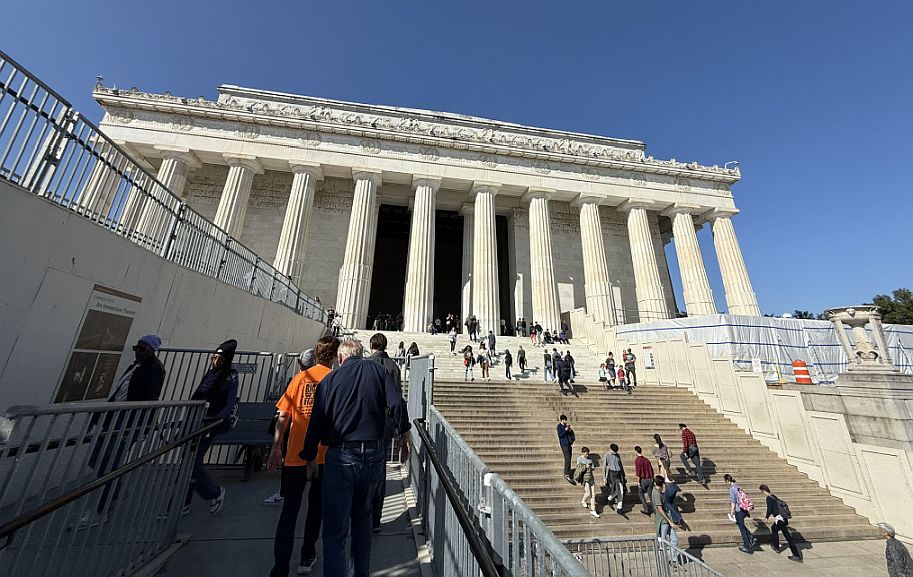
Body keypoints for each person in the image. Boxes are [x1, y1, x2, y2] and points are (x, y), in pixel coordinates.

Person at [300, 339, 411, 577]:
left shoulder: (330, 379)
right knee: (363, 523)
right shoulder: (379, 371)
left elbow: (316, 423)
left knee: (335, 529)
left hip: (341, 456)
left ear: (340, 358)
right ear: (361, 354)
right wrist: (404, 432)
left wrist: (309, 457)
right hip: (373, 454)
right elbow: (396, 403)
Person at [267, 337, 340, 576]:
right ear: (335, 356)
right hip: (324, 455)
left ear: (317, 354)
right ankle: (307, 555)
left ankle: (280, 568)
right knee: (316, 508)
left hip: (295, 454)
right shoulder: (335, 379)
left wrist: (276, 447)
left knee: (289, 511)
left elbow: (283, 416)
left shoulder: (299, 379)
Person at [77, 335, 166, 529]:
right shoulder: (135, 367)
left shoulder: (155, 370)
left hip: (128, 421)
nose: (138, 352)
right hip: (114, 417)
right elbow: (117, 393)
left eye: (142, 349)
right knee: (97, 459)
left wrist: (141, 427)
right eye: (136, 348)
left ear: (152, 351)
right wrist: (97, 419)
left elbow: (151, 399)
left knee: (109, 462)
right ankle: (115, 490)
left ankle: (102, 510)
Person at [185, 339, 239, 516]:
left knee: (192, 461)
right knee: (188, 461)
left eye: (220, 359)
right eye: (213, 358)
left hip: (209, 423)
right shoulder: (211, 374)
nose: (215, 362)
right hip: (196, 420)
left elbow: (230, 402)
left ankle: (213, 492)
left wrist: (216, 420)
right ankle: (183, 501)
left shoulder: (230, 376)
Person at [367, 333, 405, 533]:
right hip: (386, 425)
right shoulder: (393, 367)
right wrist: (402, 428)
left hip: (365, 425)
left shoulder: (364, 365)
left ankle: (360, 513)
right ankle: (375, 518)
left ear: (371, 345)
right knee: (379, 473)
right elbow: (396, 399)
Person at [760, 484, 802, 563]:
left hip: (780, 519)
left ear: (763, 491)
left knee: (788, 537)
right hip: (783, 518)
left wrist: (767, 516)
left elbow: (769, 509)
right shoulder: (773, 496)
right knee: (774, 529)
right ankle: (776, 546)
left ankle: (796, 555)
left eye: (762, 492)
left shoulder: (769, 498)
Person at [653, 475, 683, 567]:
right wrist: (670, 521)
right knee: (663, 542)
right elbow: (660, 509)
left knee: (674, 539)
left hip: (667, 519)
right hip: (663, 521)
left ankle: (673, 560)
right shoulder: (656, 494)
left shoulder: (659, 492)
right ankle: (663, 561)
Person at [724, 474, 757, 554]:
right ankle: (751, 538)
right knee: (741, 525)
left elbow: (733, 502)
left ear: (727, 481)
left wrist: (732, 512)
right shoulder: (737, 486)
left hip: (739, 510)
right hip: (744, 509)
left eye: (726, 482)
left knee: (741, 528)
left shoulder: (732, 489)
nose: (726, 483)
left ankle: (747, 546)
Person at [574, 447, 599, 518]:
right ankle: (583, 500)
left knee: (593, 495)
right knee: (588, 492)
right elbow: (578, 469)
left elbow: (593, 468)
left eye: (588, 454)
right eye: (586, 454)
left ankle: (593, 510)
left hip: (591, 477)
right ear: (583, 452)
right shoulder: (579, 459)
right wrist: (585, 466)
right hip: (585, 478)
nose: (587, 455)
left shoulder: (590, 459)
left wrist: (591, 467)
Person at [602, 443, 625, 511]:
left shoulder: (617, 455)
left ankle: (619, 507)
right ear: (610, 449)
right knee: (616, 490)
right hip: (611, 473)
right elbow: (604, 467)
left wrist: (623, 475)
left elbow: (620, 465)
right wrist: (604, 478)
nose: (615, 452)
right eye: (614, 451)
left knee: (621, 490)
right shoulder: (607, 455)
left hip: (619, 473)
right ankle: (610, 498)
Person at [634, 446, 655, 515]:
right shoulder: (647, 460)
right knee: (650, 495)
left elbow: (638, 473)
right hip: (650, 479)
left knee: (640, 493)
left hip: (643, 480)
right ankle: (655, 509)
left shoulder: (637, 460)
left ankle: (646, 509)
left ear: (636, 451)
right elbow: (651, 470)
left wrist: (638, 482)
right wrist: (652, 478)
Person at [557, 415, 575, 484]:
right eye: (565, 420)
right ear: (562, 420)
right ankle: (566, 473)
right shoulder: (559, 426)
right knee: (567, 458)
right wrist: (565, 430)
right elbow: (560, 435)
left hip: (569, 444)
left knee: (569, 458)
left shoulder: (566, 426)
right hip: (564, 444)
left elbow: (570, 434)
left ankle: (568, 471)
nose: (566, 421)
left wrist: (570, 430)